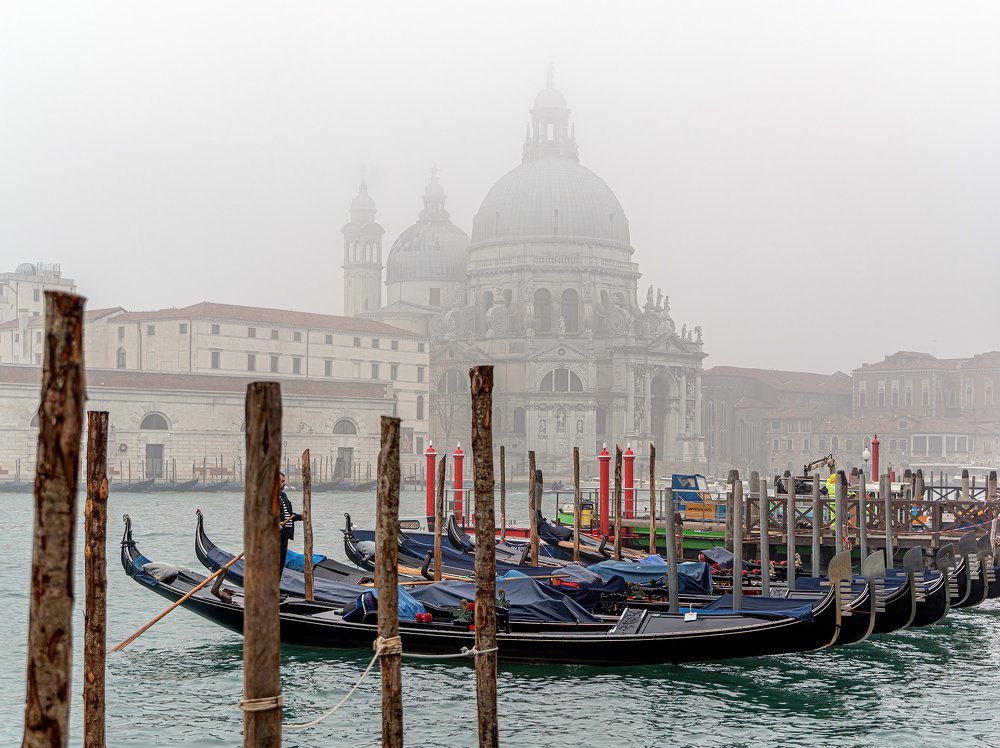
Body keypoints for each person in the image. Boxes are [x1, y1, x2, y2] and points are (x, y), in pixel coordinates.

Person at [278, 472, 302, 576]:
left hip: (285, 534)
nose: (284, 483)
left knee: (280, 563)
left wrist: (300, 517)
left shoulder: (283, 495)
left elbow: (288, 515)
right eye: (282, 481)